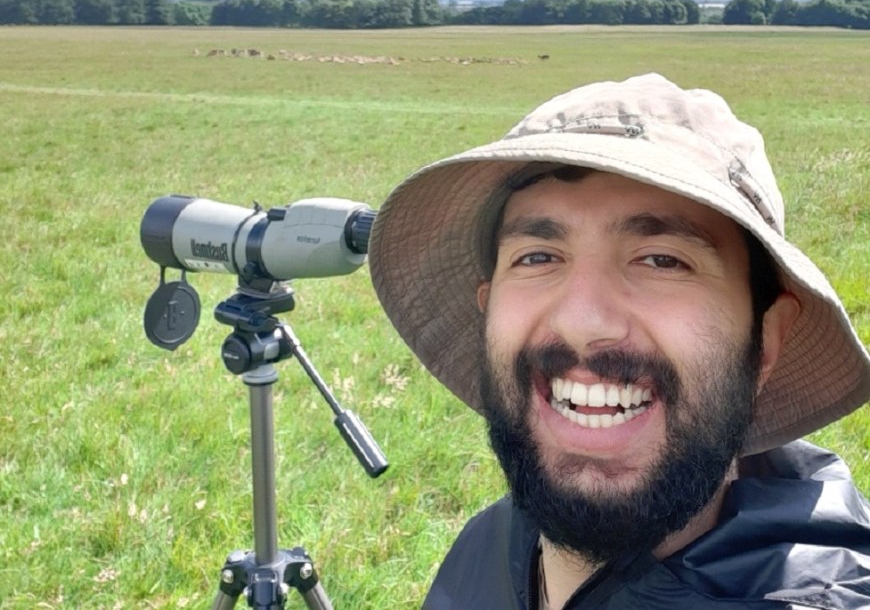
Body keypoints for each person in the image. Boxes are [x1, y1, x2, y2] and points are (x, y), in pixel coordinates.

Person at [367, 73, 870, 609]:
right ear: (488, 310)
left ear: (765, 342)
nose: (583, 322)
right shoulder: (494, 540)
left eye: (662, 260)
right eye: (537, 257)